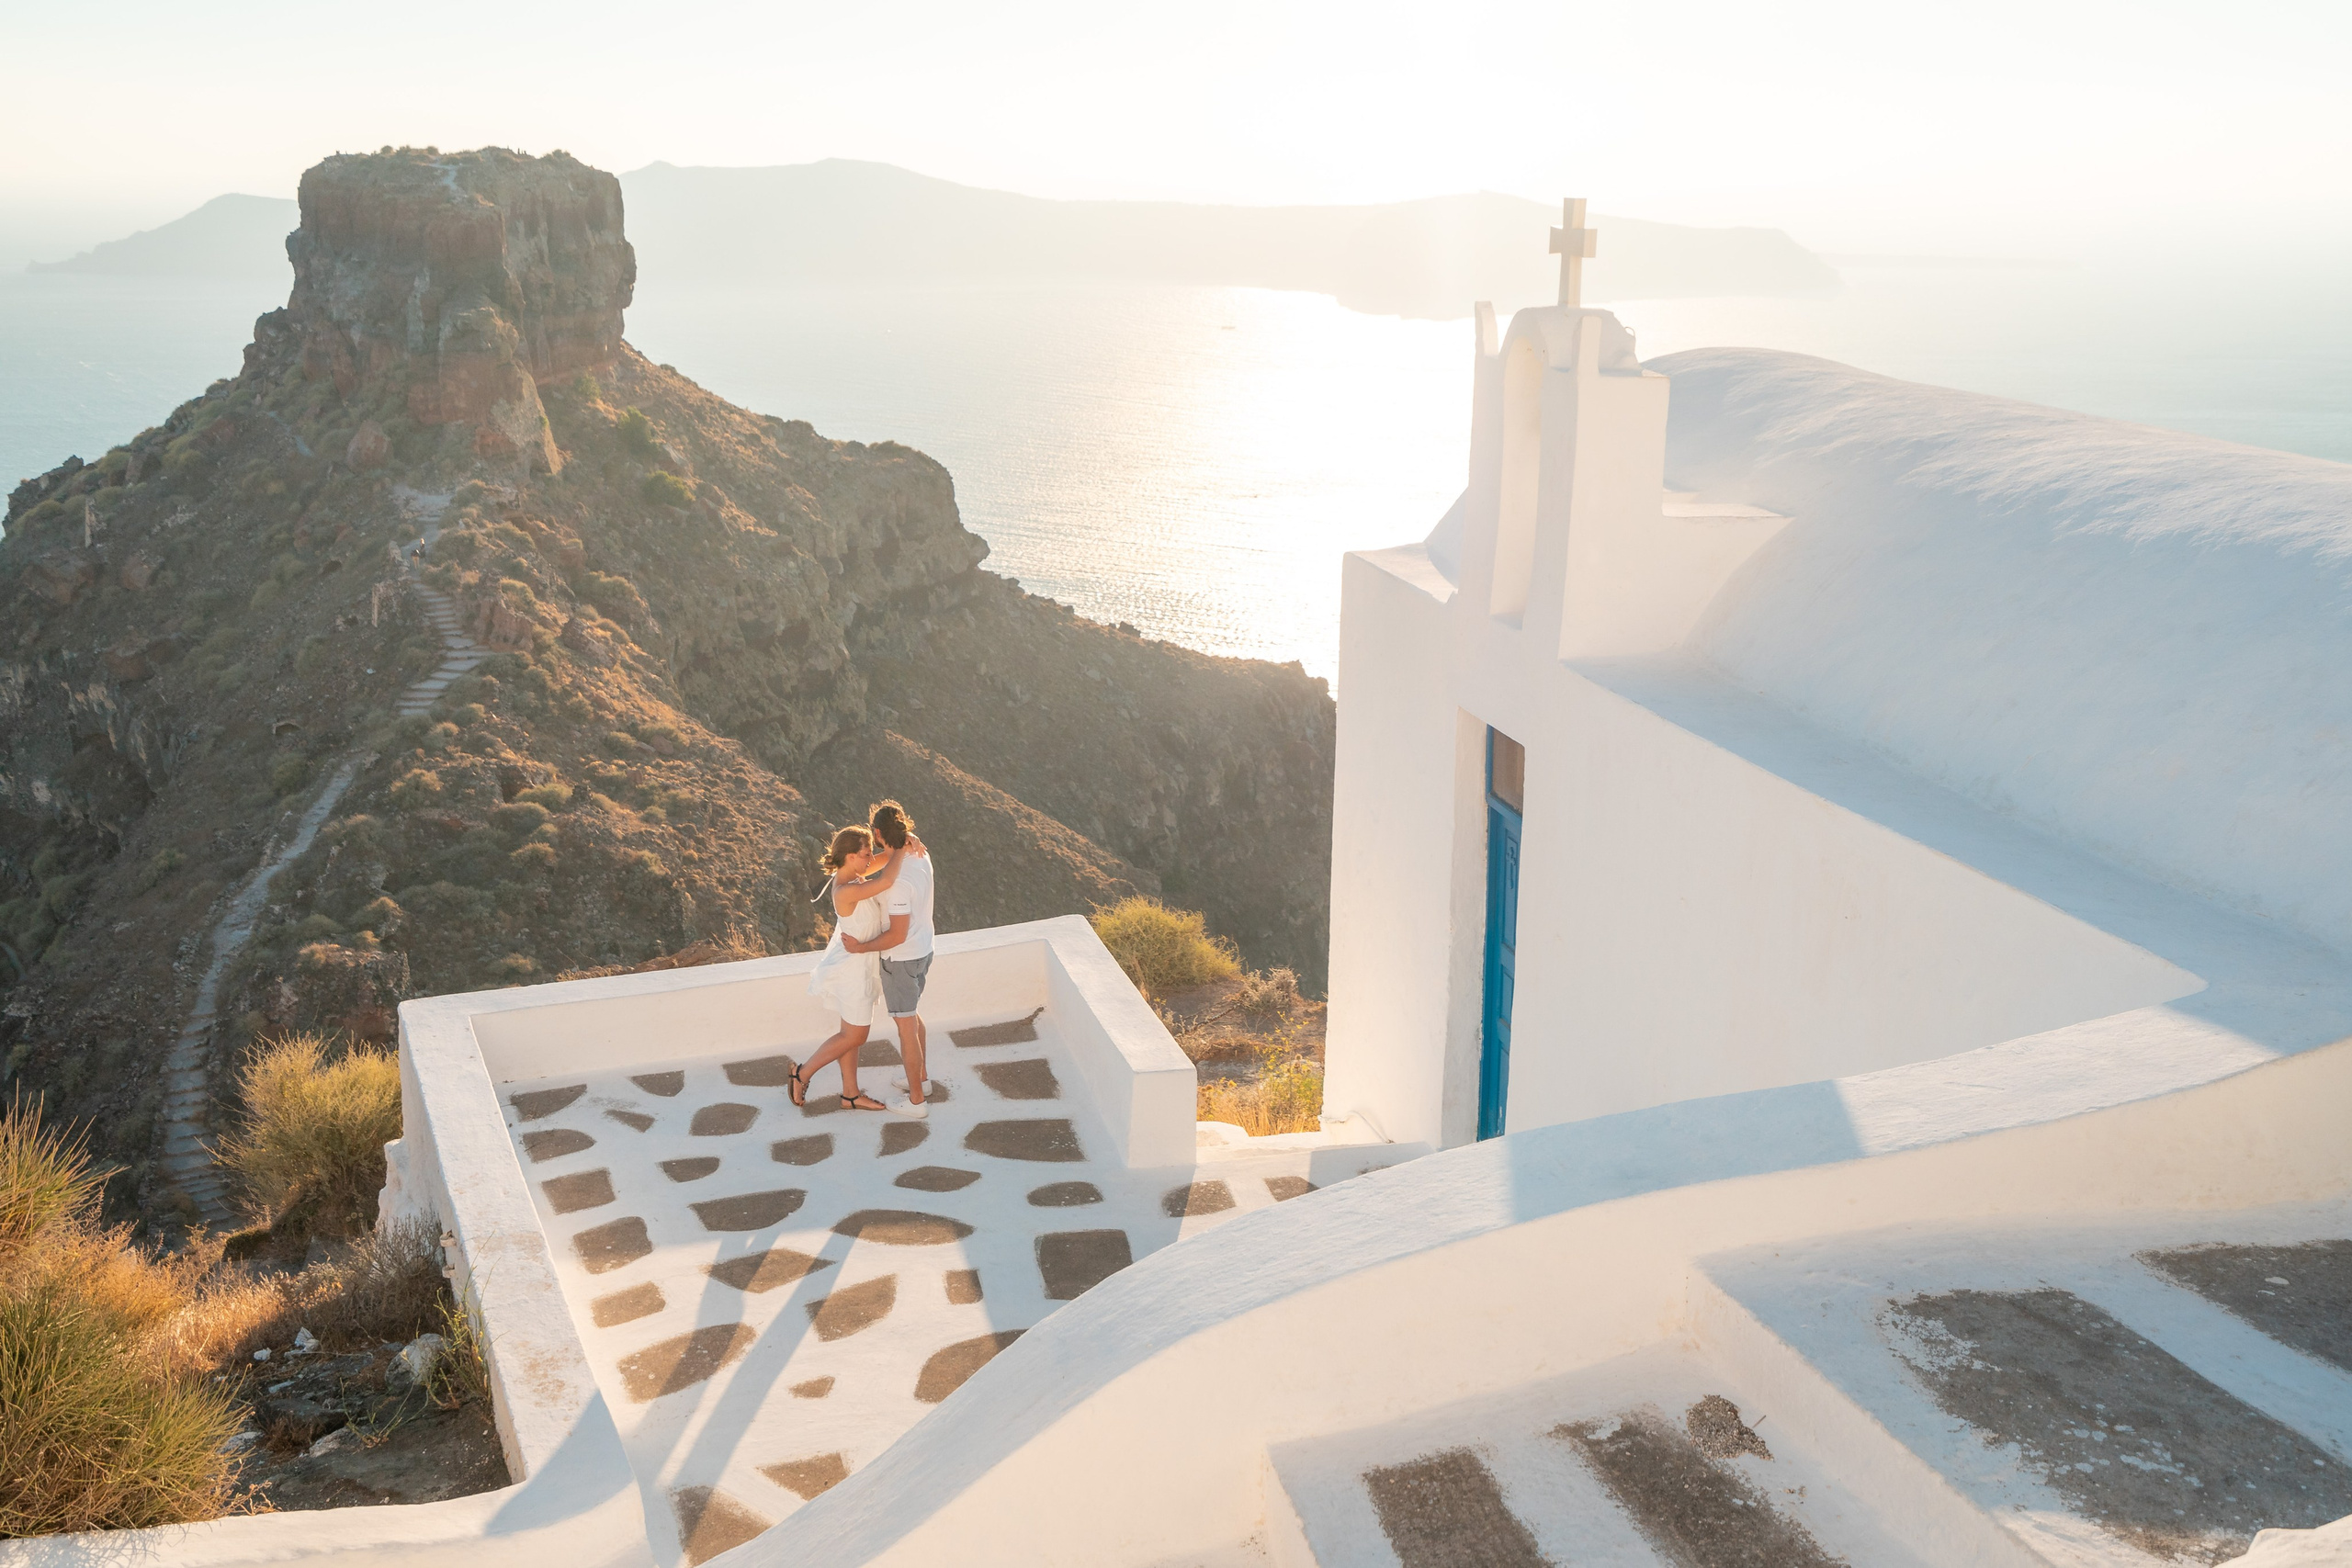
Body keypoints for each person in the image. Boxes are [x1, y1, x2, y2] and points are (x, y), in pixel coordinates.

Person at [789, 824, 922, 1113]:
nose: (869, 858)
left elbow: (886, 860)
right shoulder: (846, 891)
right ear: (850, 857)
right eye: (864, 854)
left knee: (849, 1031)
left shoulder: (855, 874)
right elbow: (887, 880)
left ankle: (850, 1095)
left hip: (860, 964)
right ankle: (802, 1073)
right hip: (853, 970)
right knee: (855, 1035)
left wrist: (903, 842)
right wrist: (899, 850)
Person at [853, 800, 937, 1119]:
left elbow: (896, 935)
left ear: (876, 833)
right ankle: (922, 1081)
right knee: (912, 1019)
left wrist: (863, 948)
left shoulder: (897, 882)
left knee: (906, 1029)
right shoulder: (919, 853)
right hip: (924, 950)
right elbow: (881, 862)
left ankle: (916, 1101)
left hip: (901, 958)